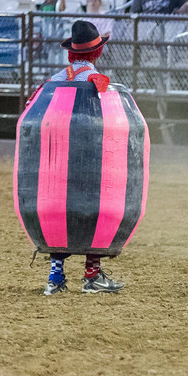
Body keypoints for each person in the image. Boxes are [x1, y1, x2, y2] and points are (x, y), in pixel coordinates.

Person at [42, 20, 125, 295]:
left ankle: (55, 277)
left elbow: (37, 110)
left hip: (57, 157)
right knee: (94, 210)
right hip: (89, 156)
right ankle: (92, 274)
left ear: (72, 52)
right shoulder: (97, 81)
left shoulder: (55, 80)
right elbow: (107, 118)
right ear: (96, 53)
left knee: (58, 211)